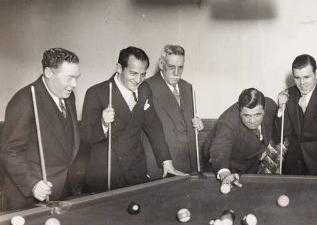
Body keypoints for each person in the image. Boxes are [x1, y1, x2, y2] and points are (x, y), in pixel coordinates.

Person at [80, 46, 186, 193]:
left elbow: (154, 126)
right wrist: (103, 123)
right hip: (106, 173)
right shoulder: (96, 93)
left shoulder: (144, 90)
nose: (138, 80)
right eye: (133, 73)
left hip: (135, 171)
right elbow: (86, 137)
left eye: (143, 74)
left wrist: (166, 162)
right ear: (119, 68)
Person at [1, 48, 81, 210]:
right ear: (48, 72)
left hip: (62, 186)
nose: (74, 84)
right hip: (31, 194)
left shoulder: (68, 95)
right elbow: (10, 151)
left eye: (77, 78)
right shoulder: (24, 100)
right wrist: (33, 184)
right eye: (69, 78)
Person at [143, 45, 203, 178]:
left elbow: (185, 121)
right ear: (161, 64)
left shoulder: (188, 88)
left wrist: (197, 124)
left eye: (180, 67)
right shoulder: (146, 87)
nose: (177, 73)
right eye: (171, 67)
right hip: (161, 167)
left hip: (189, 164)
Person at [203, 88, 278, 188]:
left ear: (264, 109)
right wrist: (224, 174)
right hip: (227, 169)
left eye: (258, 115)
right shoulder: (227, 123)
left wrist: (281, 109)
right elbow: (219, 150)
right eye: (246, 115)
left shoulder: (271, 105)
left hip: (251, 164)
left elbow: (277, 124)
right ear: (239, 109)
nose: (252, 121)